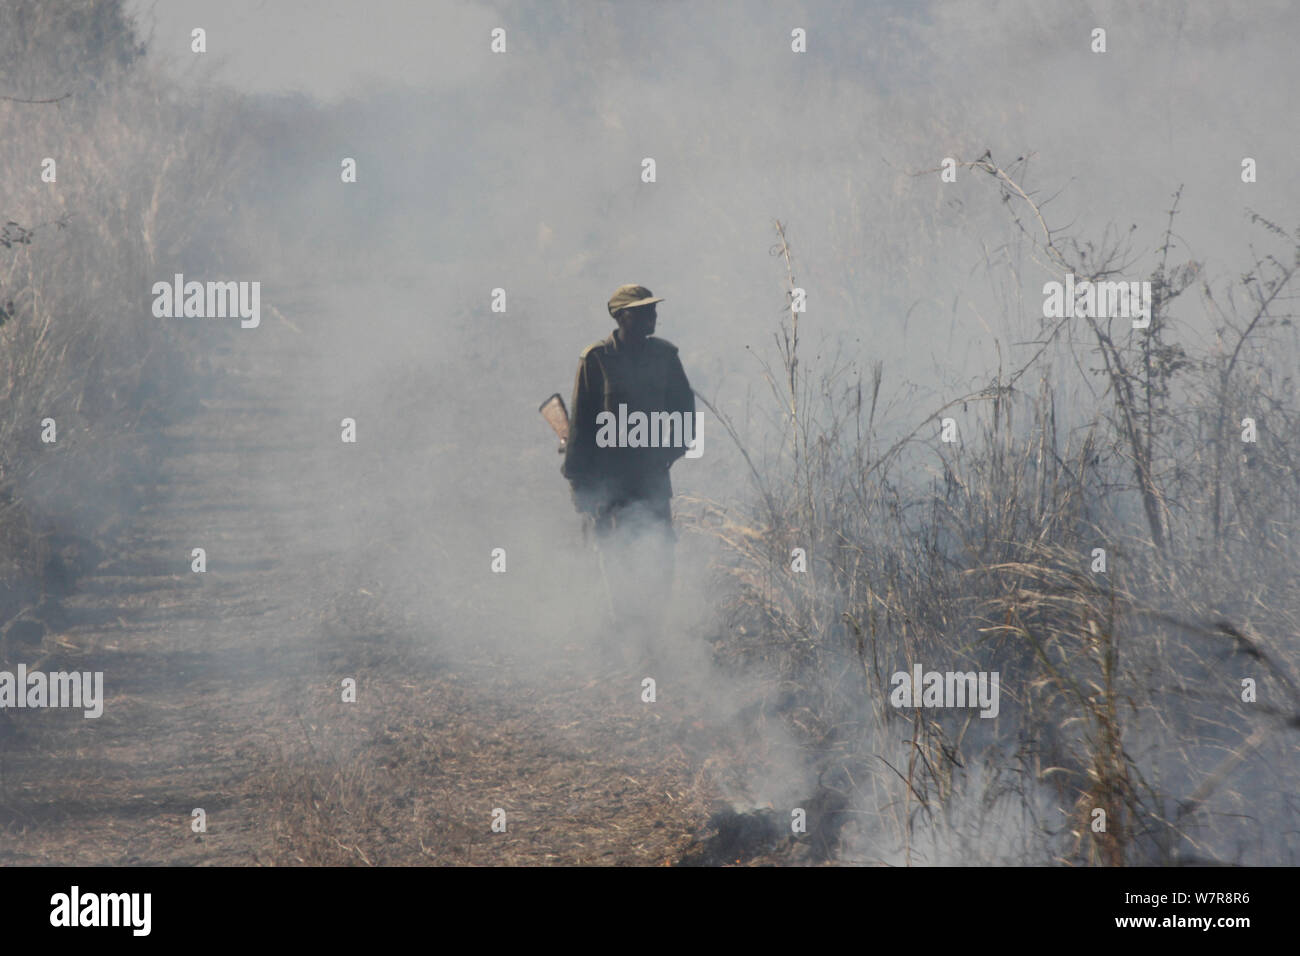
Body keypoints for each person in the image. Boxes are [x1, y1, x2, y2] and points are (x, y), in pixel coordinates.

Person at [562, 285, 696, 648]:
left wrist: (670, 452)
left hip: (651, 477)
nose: (653, 317)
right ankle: (621, 635)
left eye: (653, 310)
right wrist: (578, 481)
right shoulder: (596, 359)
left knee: (659, 553)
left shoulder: (665, 356)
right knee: (612, 553)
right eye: (643, 312)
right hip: (608, 479)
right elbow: (581, 424)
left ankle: (652, 632)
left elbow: (685, 411)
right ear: (622, 317)